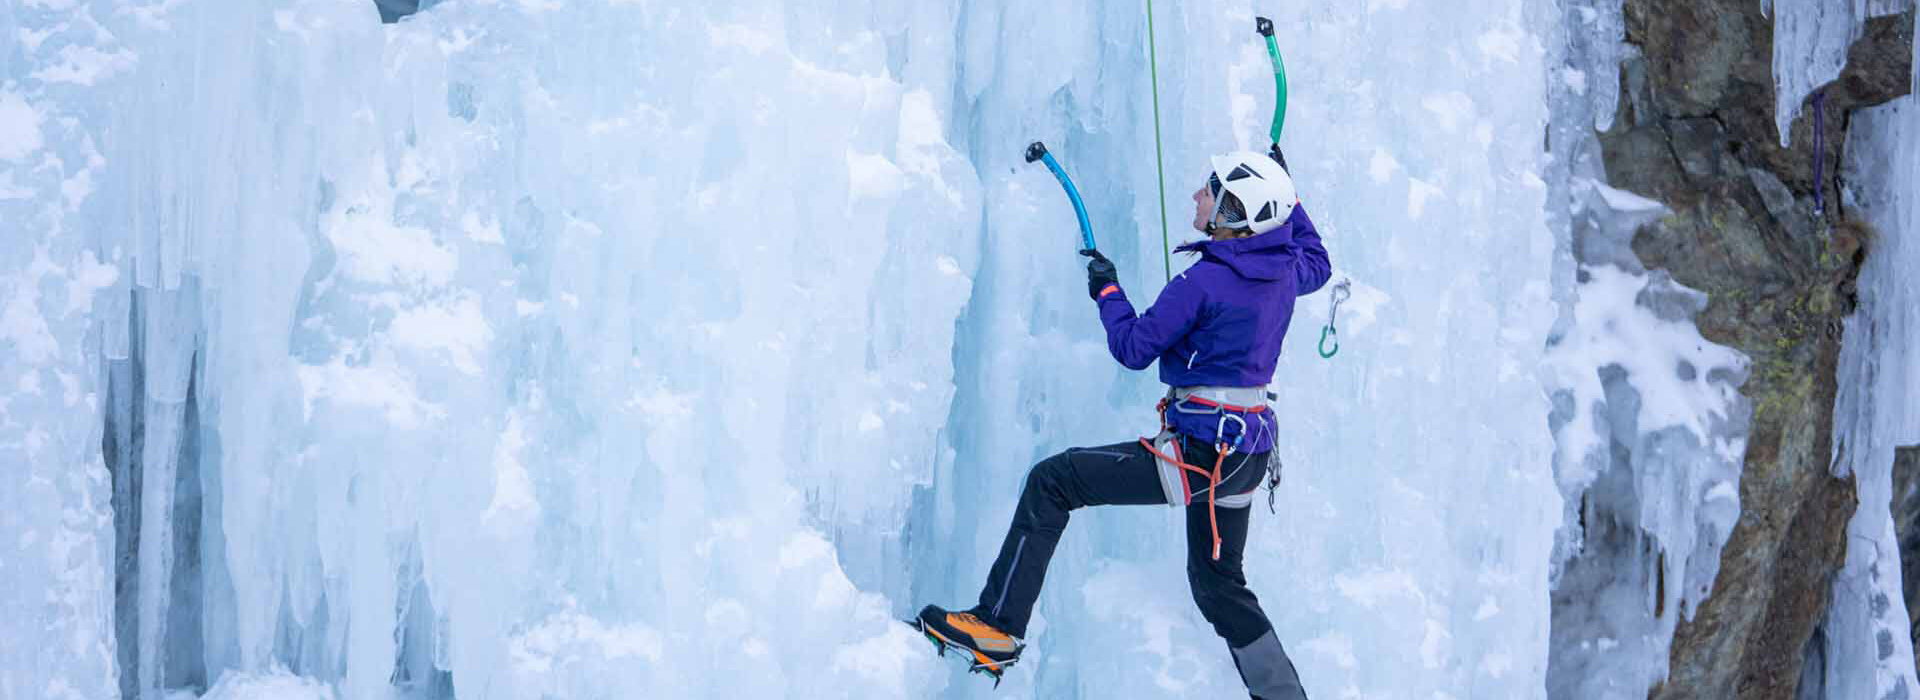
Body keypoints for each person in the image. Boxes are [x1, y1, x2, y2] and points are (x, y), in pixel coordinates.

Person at [914, 151, 1330, 699]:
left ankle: (996, 626)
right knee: (1218, 586)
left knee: (1053, 482)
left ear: (1232, 210)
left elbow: (1133, 347)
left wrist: (1106, 291)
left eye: (1209, 190)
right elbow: (1317, 261)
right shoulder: (1282, 272)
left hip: (1202, 457)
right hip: (1246, 458)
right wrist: (1289, 198)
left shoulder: (1204, 282)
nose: (1196, 197)